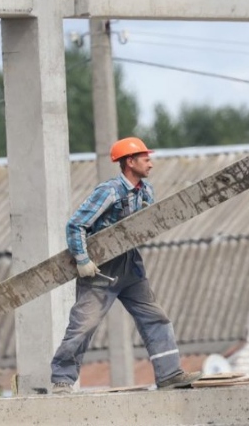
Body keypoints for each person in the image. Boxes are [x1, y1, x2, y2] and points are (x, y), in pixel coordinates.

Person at [50, 137, 201, 393]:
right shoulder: (109, 191)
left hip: (131, 266)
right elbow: (76, 224)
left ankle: (169, 374)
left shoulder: (146, 191)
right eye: (146, 159)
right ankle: (62, 380)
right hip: (101, 270)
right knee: (83, 325)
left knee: (157, 318)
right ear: (130, 162)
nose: (151, 164)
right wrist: (83, 259)